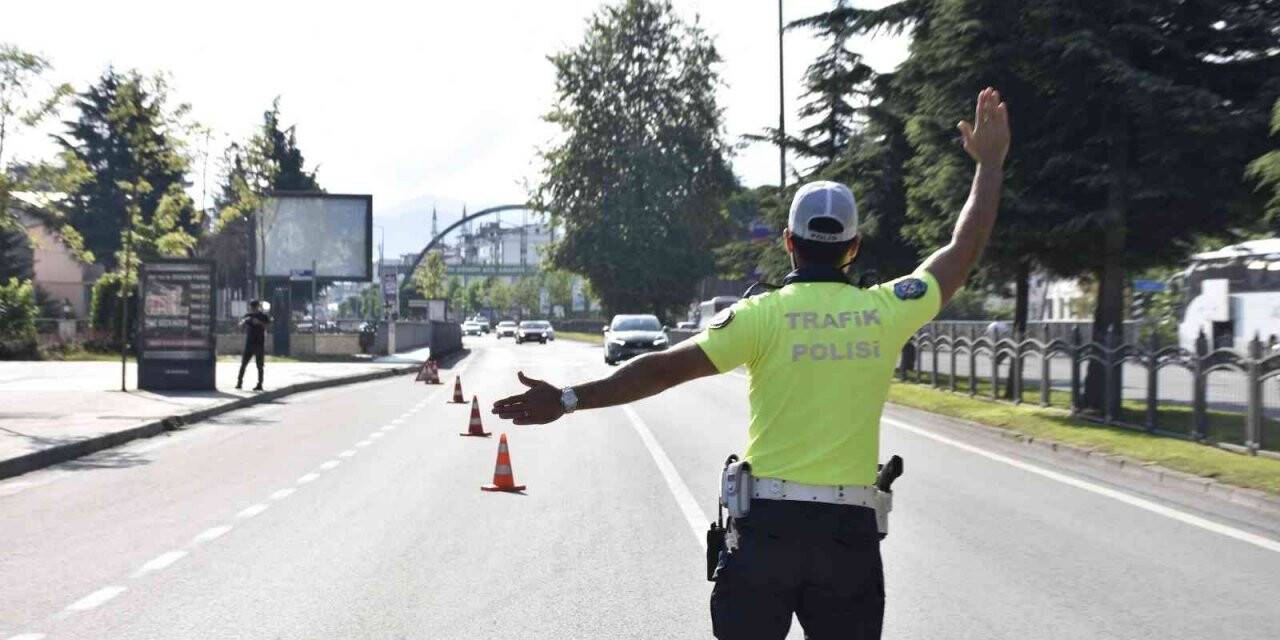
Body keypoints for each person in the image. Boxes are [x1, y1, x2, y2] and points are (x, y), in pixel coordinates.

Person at [492, 88, 1010, 639]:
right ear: (853, 248)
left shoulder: (761, 316)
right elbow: (960, 252)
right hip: (849, 536)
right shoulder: (884, 311)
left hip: (769, 533)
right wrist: (991, 167)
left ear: (789, 243)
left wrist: (570, 398)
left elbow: (662, 368)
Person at [236, 300, 272, 391]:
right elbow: (240, 325)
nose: (253, 309)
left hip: (259, 343)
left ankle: (260, 384)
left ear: (258, 307)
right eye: (252, 307)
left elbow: (269, 325)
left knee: (260, 366)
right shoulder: (248, 316)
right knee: (243, 364)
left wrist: (259, 323)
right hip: (249, 343)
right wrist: (243, 323)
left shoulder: (263, 316)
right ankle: (239, 382)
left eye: (254, 307)